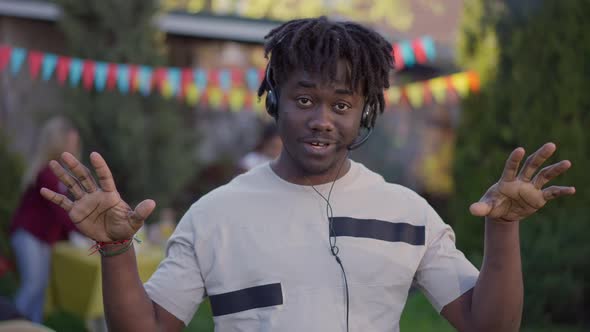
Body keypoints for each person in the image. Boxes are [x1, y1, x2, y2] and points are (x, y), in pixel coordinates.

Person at [40, 17, 575, 332]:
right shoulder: (217, 214)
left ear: (365, 111)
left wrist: (503, 229)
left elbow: (488, 324)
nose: (322, 119)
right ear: (273, 101)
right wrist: (116, 252)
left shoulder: (406, 212)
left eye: (342, 104)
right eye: (303, 99)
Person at [9, 116, 80, 323]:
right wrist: (86, 232)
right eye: (72, 142)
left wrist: (75, 233)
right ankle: (9, 323)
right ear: (60, 142)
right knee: (32, 286)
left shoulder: (57, 173)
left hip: (42, 238)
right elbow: (62, 211)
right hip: (29, 235)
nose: (75, 147)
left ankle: (33, 327)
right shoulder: (47, 173)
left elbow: (61, 216)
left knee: (40, 288)